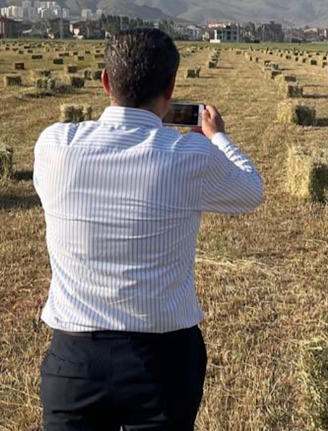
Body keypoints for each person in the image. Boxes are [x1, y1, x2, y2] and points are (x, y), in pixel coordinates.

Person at [33, 28, 263, 430]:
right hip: (162, 361)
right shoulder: (188, 156)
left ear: (105, 81)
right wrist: (218, 137)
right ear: (171, 86)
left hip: (74, 361)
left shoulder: (54, 146)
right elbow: (250, 190)